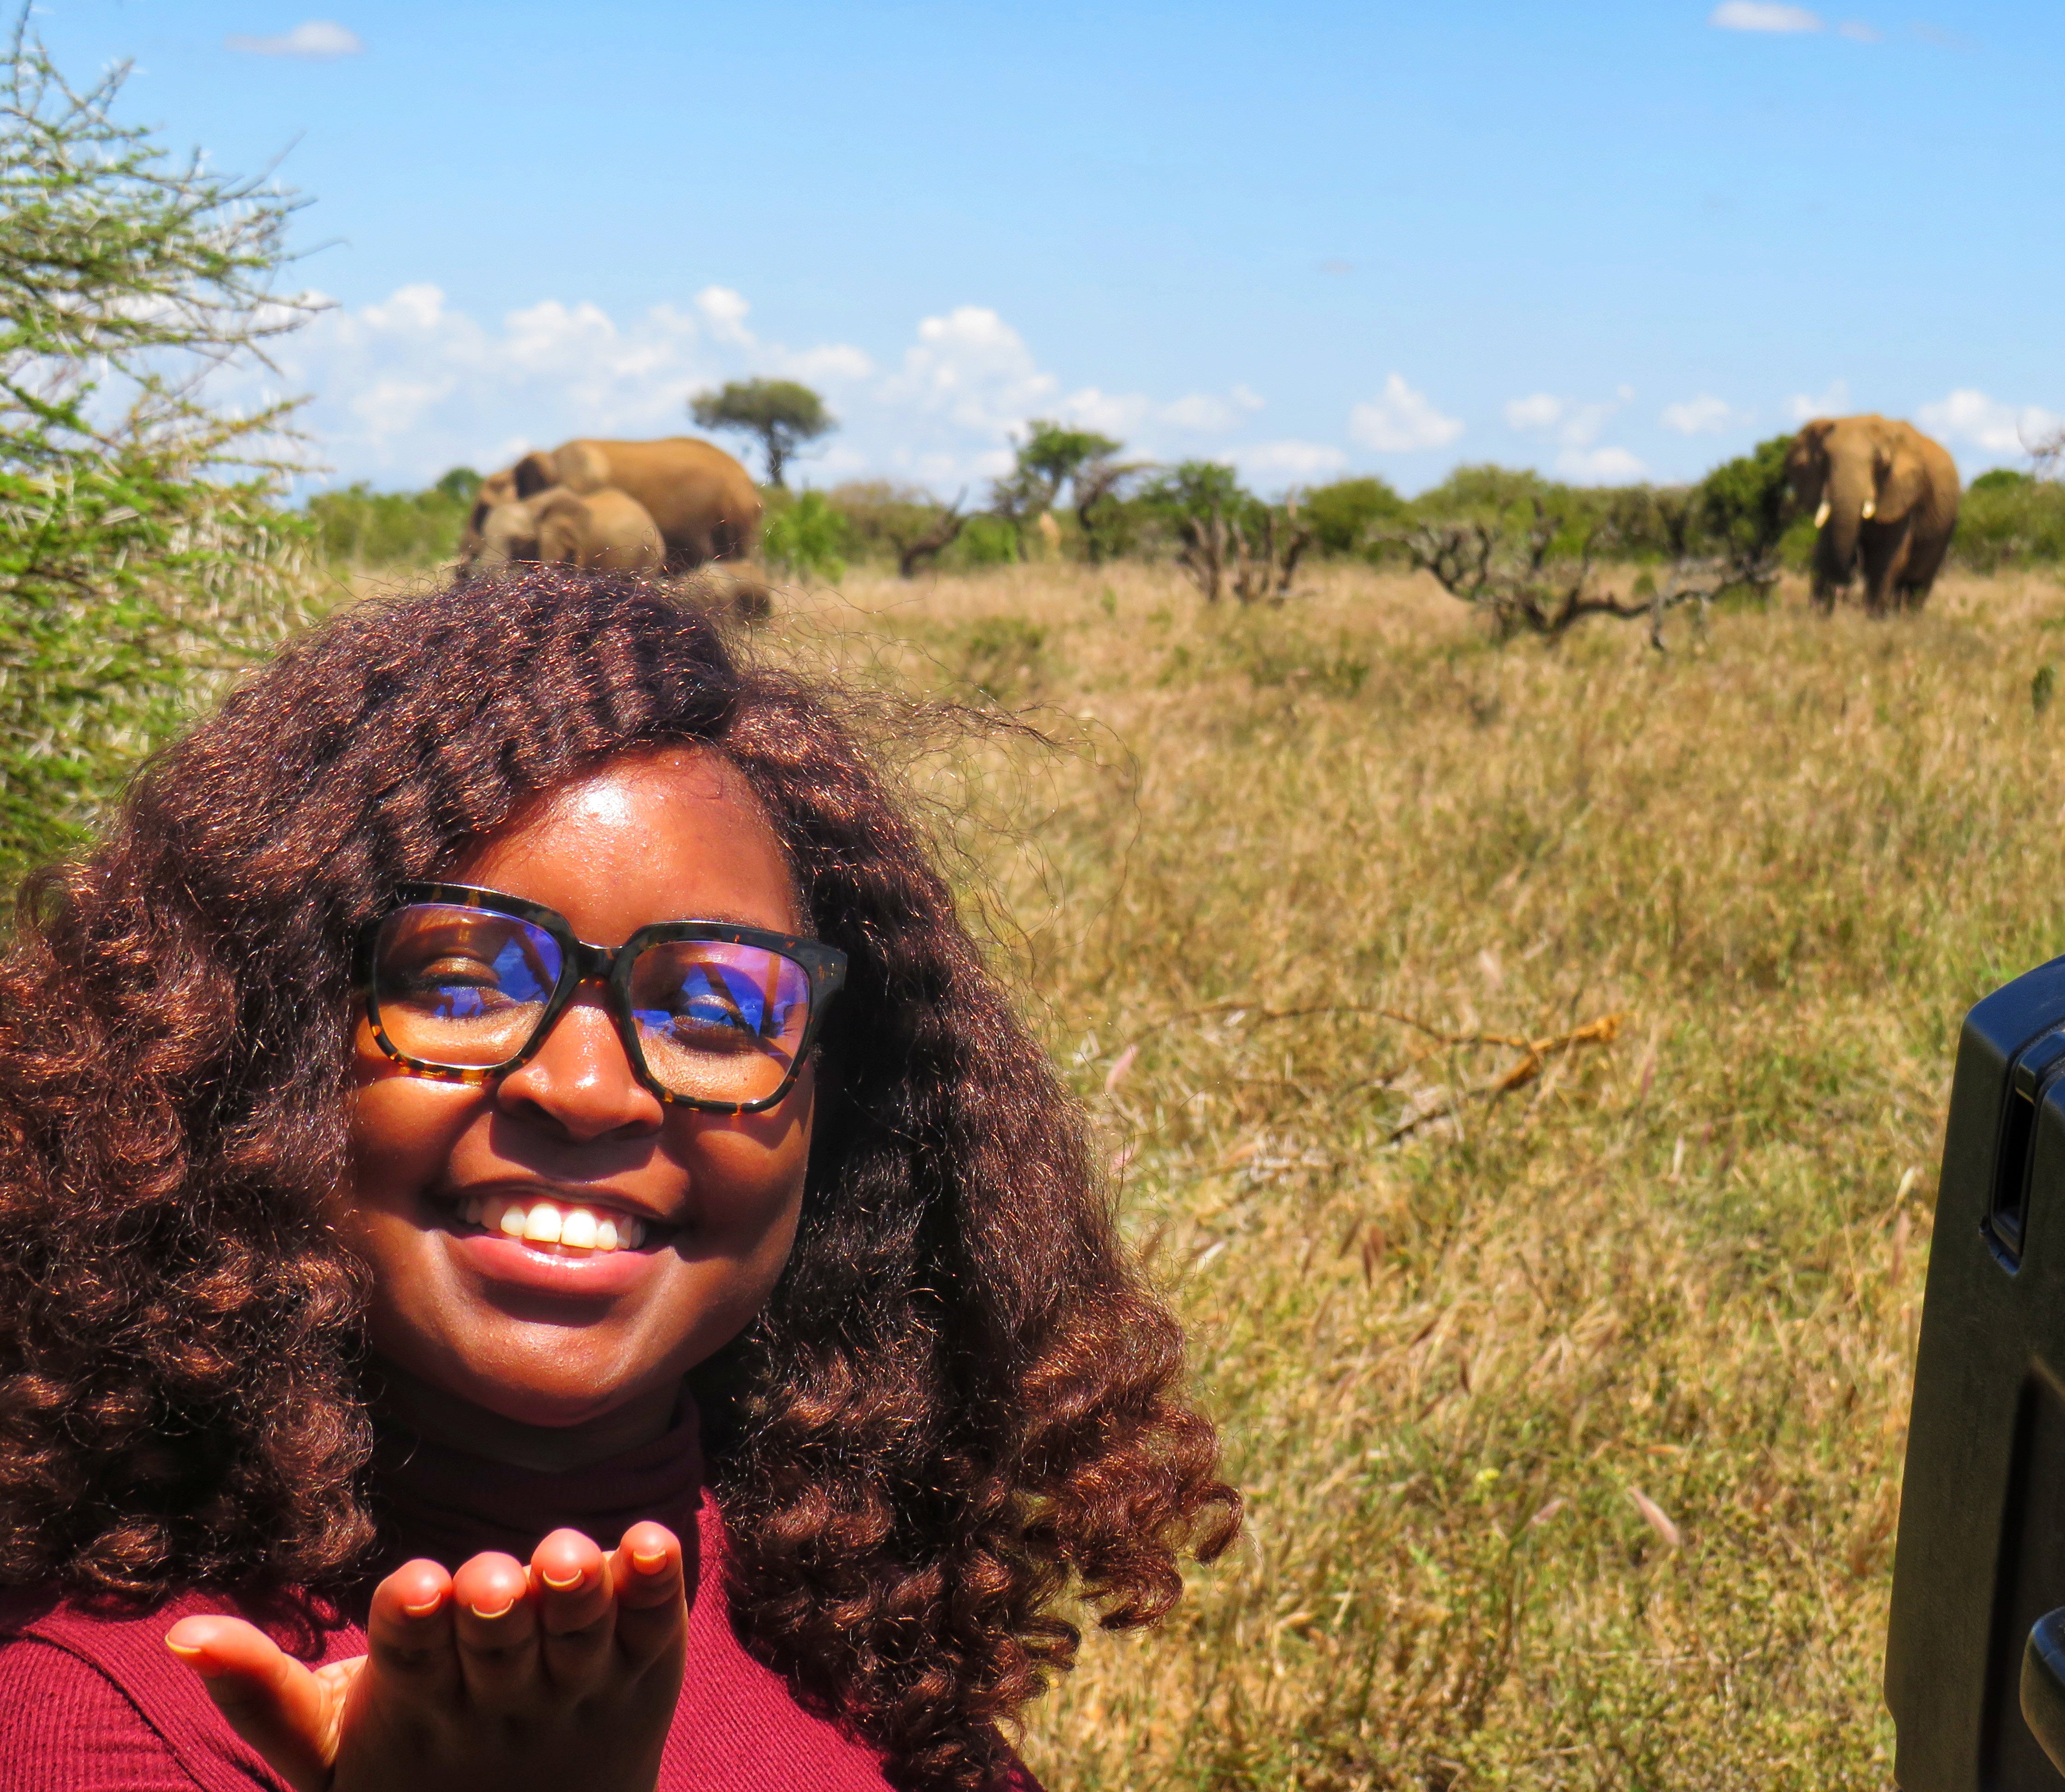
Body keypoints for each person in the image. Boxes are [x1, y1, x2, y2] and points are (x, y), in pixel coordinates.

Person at [0, 572, 1238, 1791]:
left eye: (714, 1003)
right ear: (255, 1053)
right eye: (464, 983)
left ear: (836, 1113)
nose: (588, 1090)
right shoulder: (106, 1719)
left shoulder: (851, 1628)